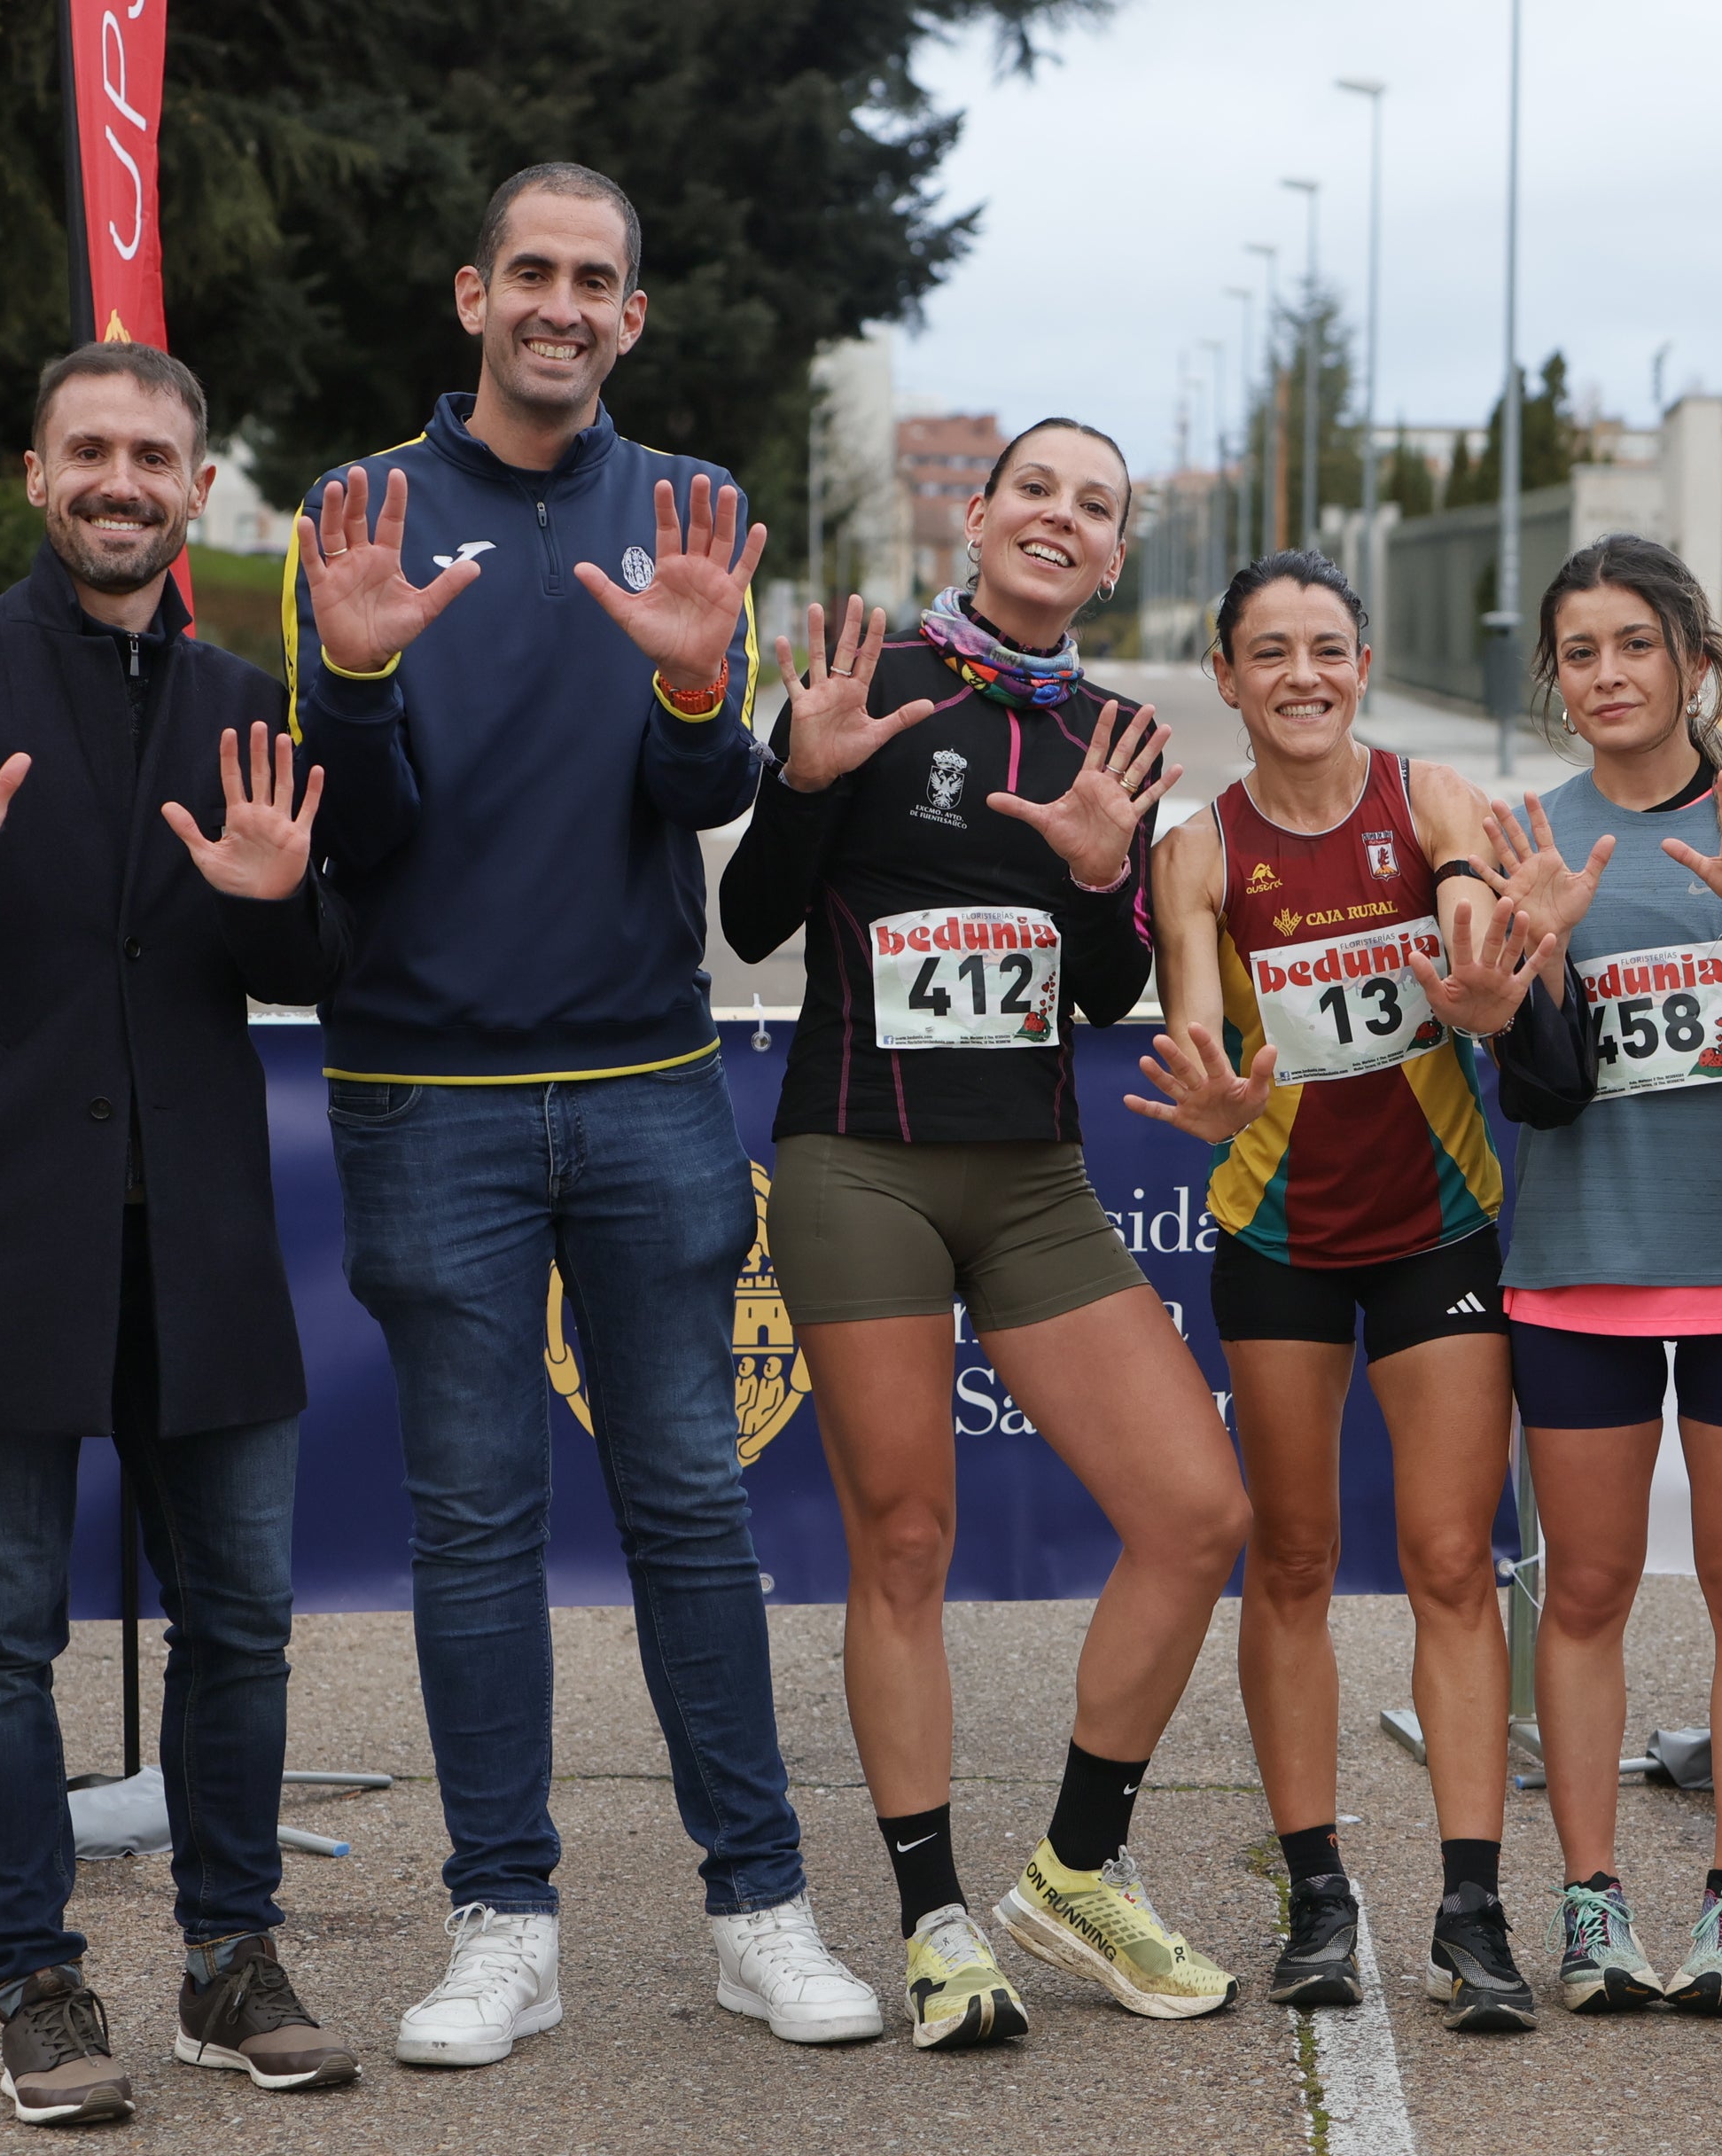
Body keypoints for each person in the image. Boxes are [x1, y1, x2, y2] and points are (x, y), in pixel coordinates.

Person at [285, 162, 876, 2063]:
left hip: (643, 1083)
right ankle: (503, 1923)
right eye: (529, 270)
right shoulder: (359, 510)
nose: (560, 301)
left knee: (692, 1509)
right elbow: (356, 833)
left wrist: (702, 694)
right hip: (423, 1093)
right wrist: (356, 671)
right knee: (472, 1532)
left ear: (632, 313)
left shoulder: (685, 506)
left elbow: (696, 798)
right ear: (472, 294)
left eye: (594, 277)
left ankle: (759, 1908)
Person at [0, 340, 355, 2126]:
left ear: (198, 488)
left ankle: (230, 1961)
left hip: (201, 1237)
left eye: (152, 456)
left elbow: (315, 960)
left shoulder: (250, 696)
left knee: (241, 1624)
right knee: (2, 1632)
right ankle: (32, 1978)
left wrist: (281, 908)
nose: (120, 480)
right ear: (36, 473)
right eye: (89, 448)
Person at [718, 418, 1255, 2049]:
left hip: (1030, 1182)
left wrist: (1096, 878)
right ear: (977, 513)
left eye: (1094, 506)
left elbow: (1103, 987)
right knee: (904, 1542)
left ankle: (1075, 1870)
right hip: (860, 1164)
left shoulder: (1114, 734)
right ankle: (933, 1918)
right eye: (1036, 488)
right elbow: (752, 918)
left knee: (1197, 1512)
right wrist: (802, 779)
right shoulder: (869, 679)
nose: (1059, 518)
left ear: (1112, 557)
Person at [1130, 550, 1548, 2033]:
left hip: (1437, 1227)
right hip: (1279, 1234)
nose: (1301, 675)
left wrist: (1473, 952)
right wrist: (1212, 1090)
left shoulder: (1429, 798)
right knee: (1293, 1558)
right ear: (1227, 676)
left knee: (1449, 1561)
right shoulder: (1197, 850)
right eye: (1270, 651)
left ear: (1362, 665)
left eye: (1326, 648)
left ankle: (1473, 1907)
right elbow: (1197, 1020)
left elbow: (1464, 893)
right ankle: (1316, 1893)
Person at [1477, 534, 1722, 2023]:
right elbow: (1531, 1077)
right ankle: (1592, 1901)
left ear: (1695, 662)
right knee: (1584, 1589)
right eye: (1580, 652)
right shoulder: (1526, 834)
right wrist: (1538, 956)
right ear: (1554, 678)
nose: (1609, 674)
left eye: (1637, 643)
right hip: (1581, 1266)